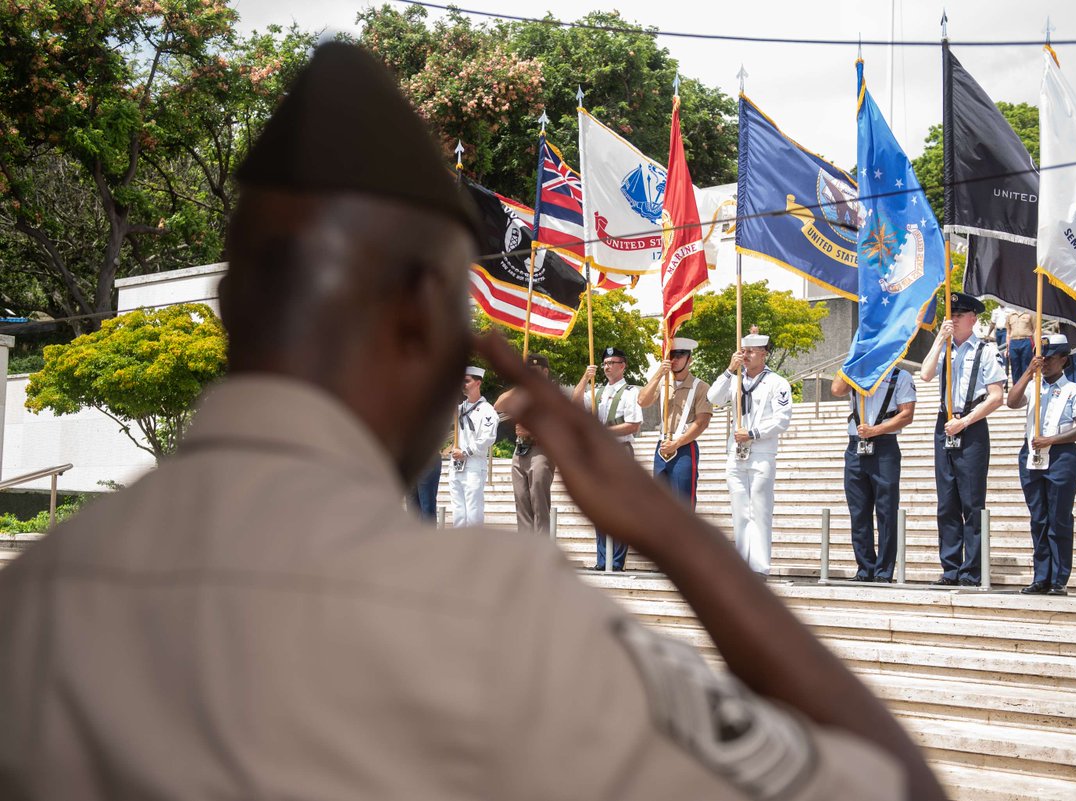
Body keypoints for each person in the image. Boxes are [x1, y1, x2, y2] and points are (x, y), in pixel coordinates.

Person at [0, 43, 947, 801]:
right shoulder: (502, 613)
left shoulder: (34, 604)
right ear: (423, 312)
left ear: (233, 301)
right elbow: (892, 784)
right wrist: (667, 535)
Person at [920, 292, 1005, 587]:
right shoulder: (944, 349)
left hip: (971, 426)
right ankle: (951, 567)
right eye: (950, 315)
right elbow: (926, 375)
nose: (952, 320)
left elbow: (996, 397)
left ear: (973, 318)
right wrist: (936, 341)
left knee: (971, 502)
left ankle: (972, 570)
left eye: (958, 315)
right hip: (945, 423)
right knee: (946, 503)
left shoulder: (985, 350)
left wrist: (965, 421)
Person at [1006, 334, 1076, 596]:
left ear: (1064, 359)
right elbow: (1011, 402)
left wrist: (1052, 439)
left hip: (1060, 456)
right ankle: (1041, 576)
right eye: (1041, 357)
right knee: (1039, 519)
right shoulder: (1034, 386)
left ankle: (1059, 578)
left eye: (1050, 357)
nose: (1044, 362)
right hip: (1032, 456)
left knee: (1059, 519)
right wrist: (1026, 372)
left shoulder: (1074, 390)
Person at [707, 333, 793, 577]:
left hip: (761, 452)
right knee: (740, 511)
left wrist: (753, 433)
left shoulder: (777, 383)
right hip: (736, 453)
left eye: (751, 351)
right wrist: (728, 371)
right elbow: (713, 398)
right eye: (743, 351)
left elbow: (782, 420)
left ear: (764, 353)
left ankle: (759, 567)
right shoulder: (735, 380)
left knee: (759, 511)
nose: (745, 356)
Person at [830, 367, 917, 583]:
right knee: (858, 511)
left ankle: (883, 571)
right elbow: (836, 389)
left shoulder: (900, 376)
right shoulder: (856, 372)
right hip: (855, 446)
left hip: (884, 444)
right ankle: (865, 568)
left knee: (886, 511)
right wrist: (852, 361)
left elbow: (906, 415)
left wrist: (876, 430)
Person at [573, 346, 643, 570]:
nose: (607, 367)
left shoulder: (631, 392)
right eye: (605, 363)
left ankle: (616, 561)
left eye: (612, 363)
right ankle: (602, 560)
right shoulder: (597, 391)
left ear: (622, 366)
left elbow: (634, 424)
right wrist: (586, 377)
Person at [636, 337, 713, 508]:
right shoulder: (663, 383)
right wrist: (658, 374)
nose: (674, 360)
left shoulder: (701, 387)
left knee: (683, 502)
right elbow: (642, 401)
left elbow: (702, 423)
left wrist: (676, 443)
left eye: (679, 356)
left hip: (684, 447)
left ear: (689, 359)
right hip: (662, 446)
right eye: (671, 356)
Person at [495, 353, 556, 534]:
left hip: (541, 450)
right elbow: (498, 405)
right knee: (521, 501)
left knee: (539, 502)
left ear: (545, 372)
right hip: (520, 449)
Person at [449, 365, 497, 527]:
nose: (463, 385)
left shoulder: (487, 411)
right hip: (456, 465)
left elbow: (487, 438)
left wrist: (466, 452)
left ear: (478, 383)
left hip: (473, 465)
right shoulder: (459, 408)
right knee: (458, 511)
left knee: (473, 510)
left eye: (467, 381)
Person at [1006, 307, 1035, 382]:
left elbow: (1035, 330)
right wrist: (1007, 348)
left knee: (1027, 367)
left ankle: (1027, 389)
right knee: (1015, 368)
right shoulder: (1010, 315)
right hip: (1013, 342)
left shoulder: (1030, 313)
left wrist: (1037, 346)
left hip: (1026, 340)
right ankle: (1016, 390)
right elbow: (1008, 332)